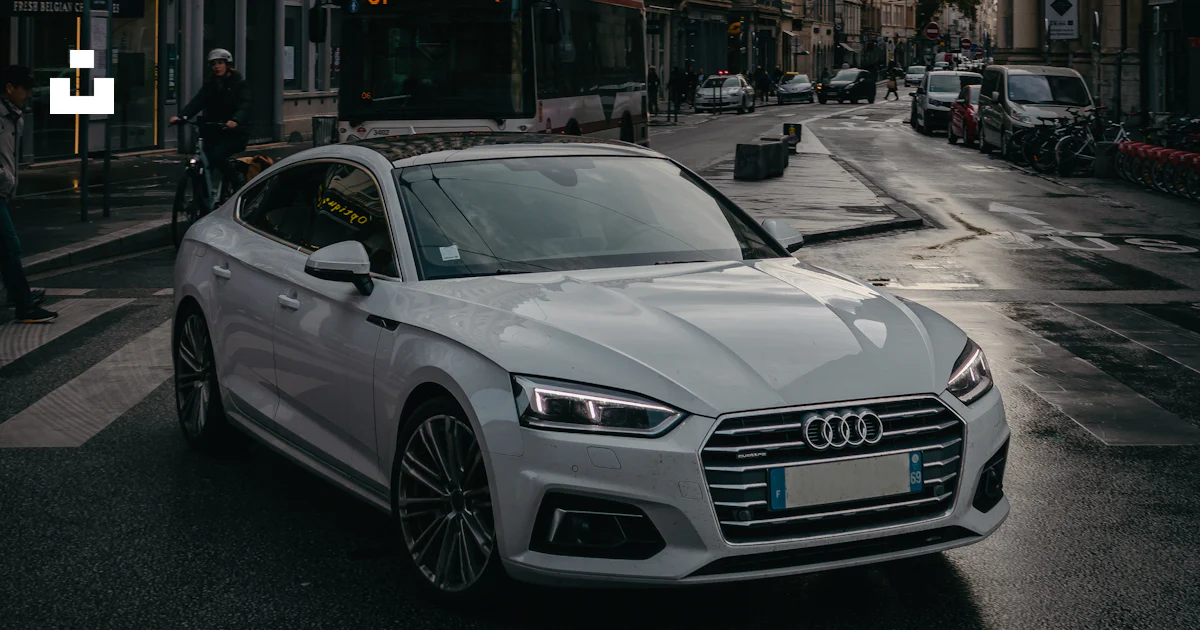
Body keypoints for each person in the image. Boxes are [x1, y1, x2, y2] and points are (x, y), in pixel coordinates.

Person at [1, 65, 56, 323]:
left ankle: (16, 294)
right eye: (25, 89)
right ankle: (24, 305)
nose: (29, 94)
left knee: (6, 248)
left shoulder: (15, 118)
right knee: (11, 246)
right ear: (10, 88)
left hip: (3, 191)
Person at [169, 48, 251, 196]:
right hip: (213, 131)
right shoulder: (210, 85)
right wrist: (182, 116)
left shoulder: (239, 84)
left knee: (218, 156)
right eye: (214, 64)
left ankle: (238, 182)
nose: (217, 67)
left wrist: (235, 120)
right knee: (203, 161)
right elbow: (197, 102)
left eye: (220, 63)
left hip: (234, 133)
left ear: (228, 65)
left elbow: (244, 105)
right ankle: (203, 198)